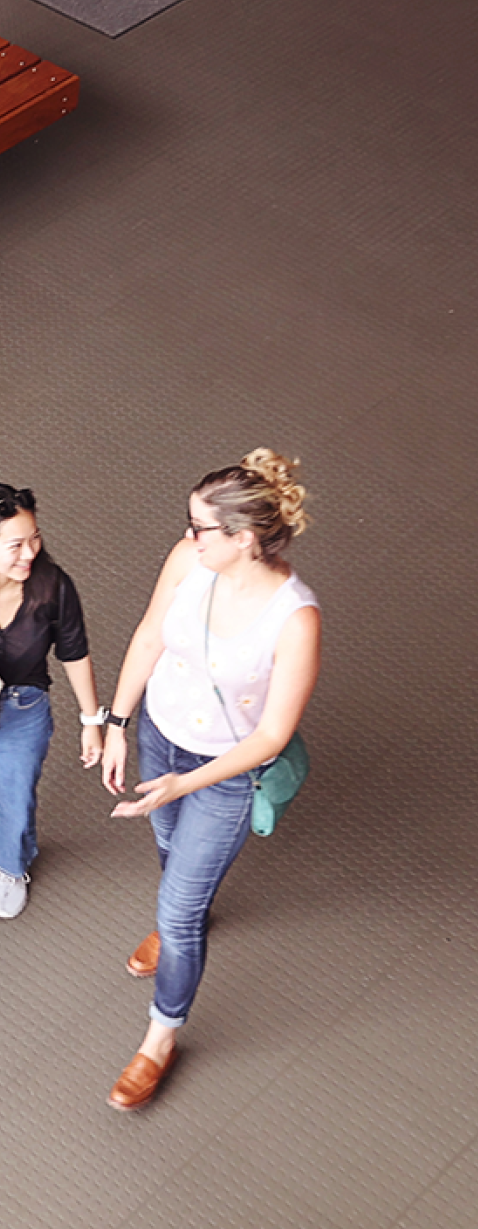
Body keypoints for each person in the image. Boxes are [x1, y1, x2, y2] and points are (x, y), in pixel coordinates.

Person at [102, 448, 321, 1111]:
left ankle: (159, 1039)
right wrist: (116, 720)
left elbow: (269, 737)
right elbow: (148, 638)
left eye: (201, 528)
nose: (189, 536)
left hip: (222, 774)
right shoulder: (187, 561)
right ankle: (178, 914)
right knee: (168, 849)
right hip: (159, 739)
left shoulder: (295, 619)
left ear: (243, 539)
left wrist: (184, 786)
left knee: (180, 908)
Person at [0, 484, 103, 919]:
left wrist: (91, 720)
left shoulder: (51, 586)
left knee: (14, 791)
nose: (30, 553)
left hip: (23, 703)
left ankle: (9, 868)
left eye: (35, 538)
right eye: (15, 545)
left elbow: (74, 653)